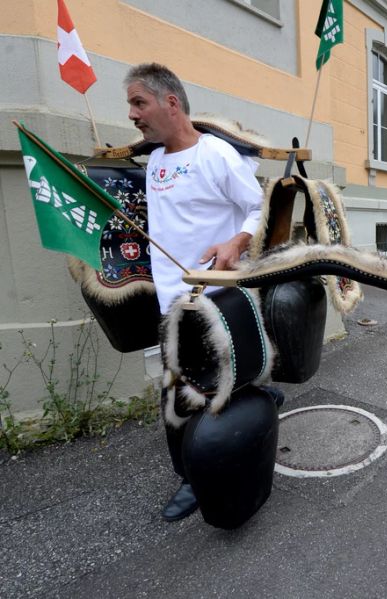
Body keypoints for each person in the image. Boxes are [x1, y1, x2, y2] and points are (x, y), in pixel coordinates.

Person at [125, 63, 264, 522]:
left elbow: (256, 208)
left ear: (171, 102)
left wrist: (235, 242)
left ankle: (216, 463)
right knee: (177, 391)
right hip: (170, 299)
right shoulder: (157, 160)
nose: (132, 114)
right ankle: (189, 475)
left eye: (138, 102)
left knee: (218, 378)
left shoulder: (217, 156)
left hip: (215, 298)